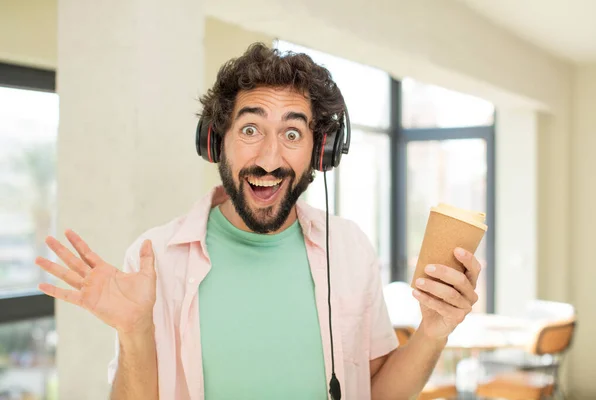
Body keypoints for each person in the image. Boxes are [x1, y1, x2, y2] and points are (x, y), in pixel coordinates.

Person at [35, 43, 482, 400]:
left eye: (292, 133)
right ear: (217, 141)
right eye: (250, 129)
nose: (269, 157)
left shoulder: (349, 249)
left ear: (320, 151)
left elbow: (378, 393)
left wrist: (433, 331)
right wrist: (135, 333)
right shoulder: (156, 258)